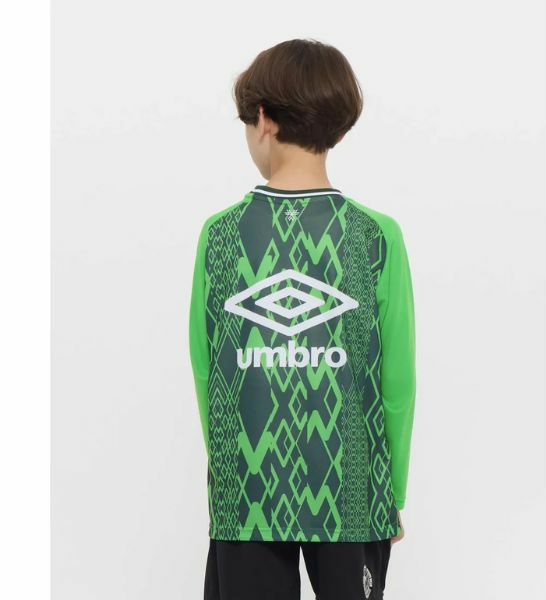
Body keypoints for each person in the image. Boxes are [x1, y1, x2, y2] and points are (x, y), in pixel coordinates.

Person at [189, 38, 416, 600]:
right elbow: (397, 384)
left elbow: (207, 372)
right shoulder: (375, 236)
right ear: (337, 129)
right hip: (351, 493)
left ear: (263, 120)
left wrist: (227, 479)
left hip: (247, 493)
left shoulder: (220, 236)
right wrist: (390, 493)